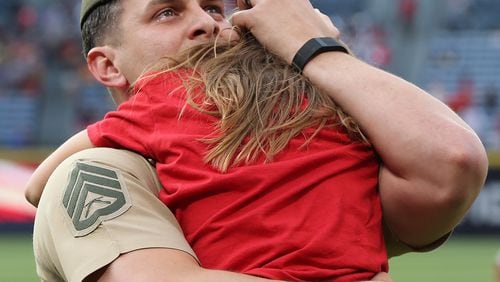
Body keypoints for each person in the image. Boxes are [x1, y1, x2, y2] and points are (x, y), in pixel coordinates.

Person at [25, 0, 488, 280]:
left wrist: (314, 51)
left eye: (212, 8)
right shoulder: (100, 168)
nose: (207, 23)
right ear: (107, 65)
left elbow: (452, 162)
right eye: (167, 12)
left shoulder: (304, 120)